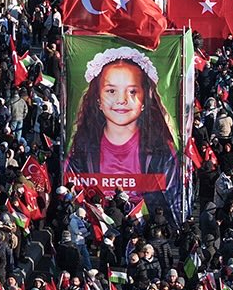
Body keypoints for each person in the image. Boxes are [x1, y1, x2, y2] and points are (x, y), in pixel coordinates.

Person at [64, 46, 181, 221]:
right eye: (111, 91)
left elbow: (173, 202)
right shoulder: (80, 150)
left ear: (144, 99)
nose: (121, 100)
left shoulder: (163, 152)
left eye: (132, 91)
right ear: (98, 99)